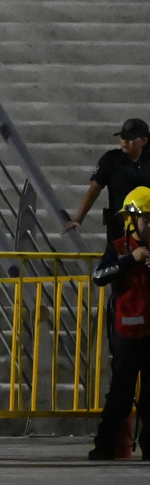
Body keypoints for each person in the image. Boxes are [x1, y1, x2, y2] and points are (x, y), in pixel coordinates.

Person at [90, 187, 150, 460]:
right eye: (146, 219)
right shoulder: (118, 248)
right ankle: (105, 448)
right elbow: (99, 276)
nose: (149, 225)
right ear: (132, 219)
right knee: (121, 395)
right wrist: (129, 260)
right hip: (127, 333)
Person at [66, 118, 150, 244]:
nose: (125, 142)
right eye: (123, 137)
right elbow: (94, 189)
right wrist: (78, 218)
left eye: (131, 138)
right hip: (119, 226)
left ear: (144, 141)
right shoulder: (111, 160)